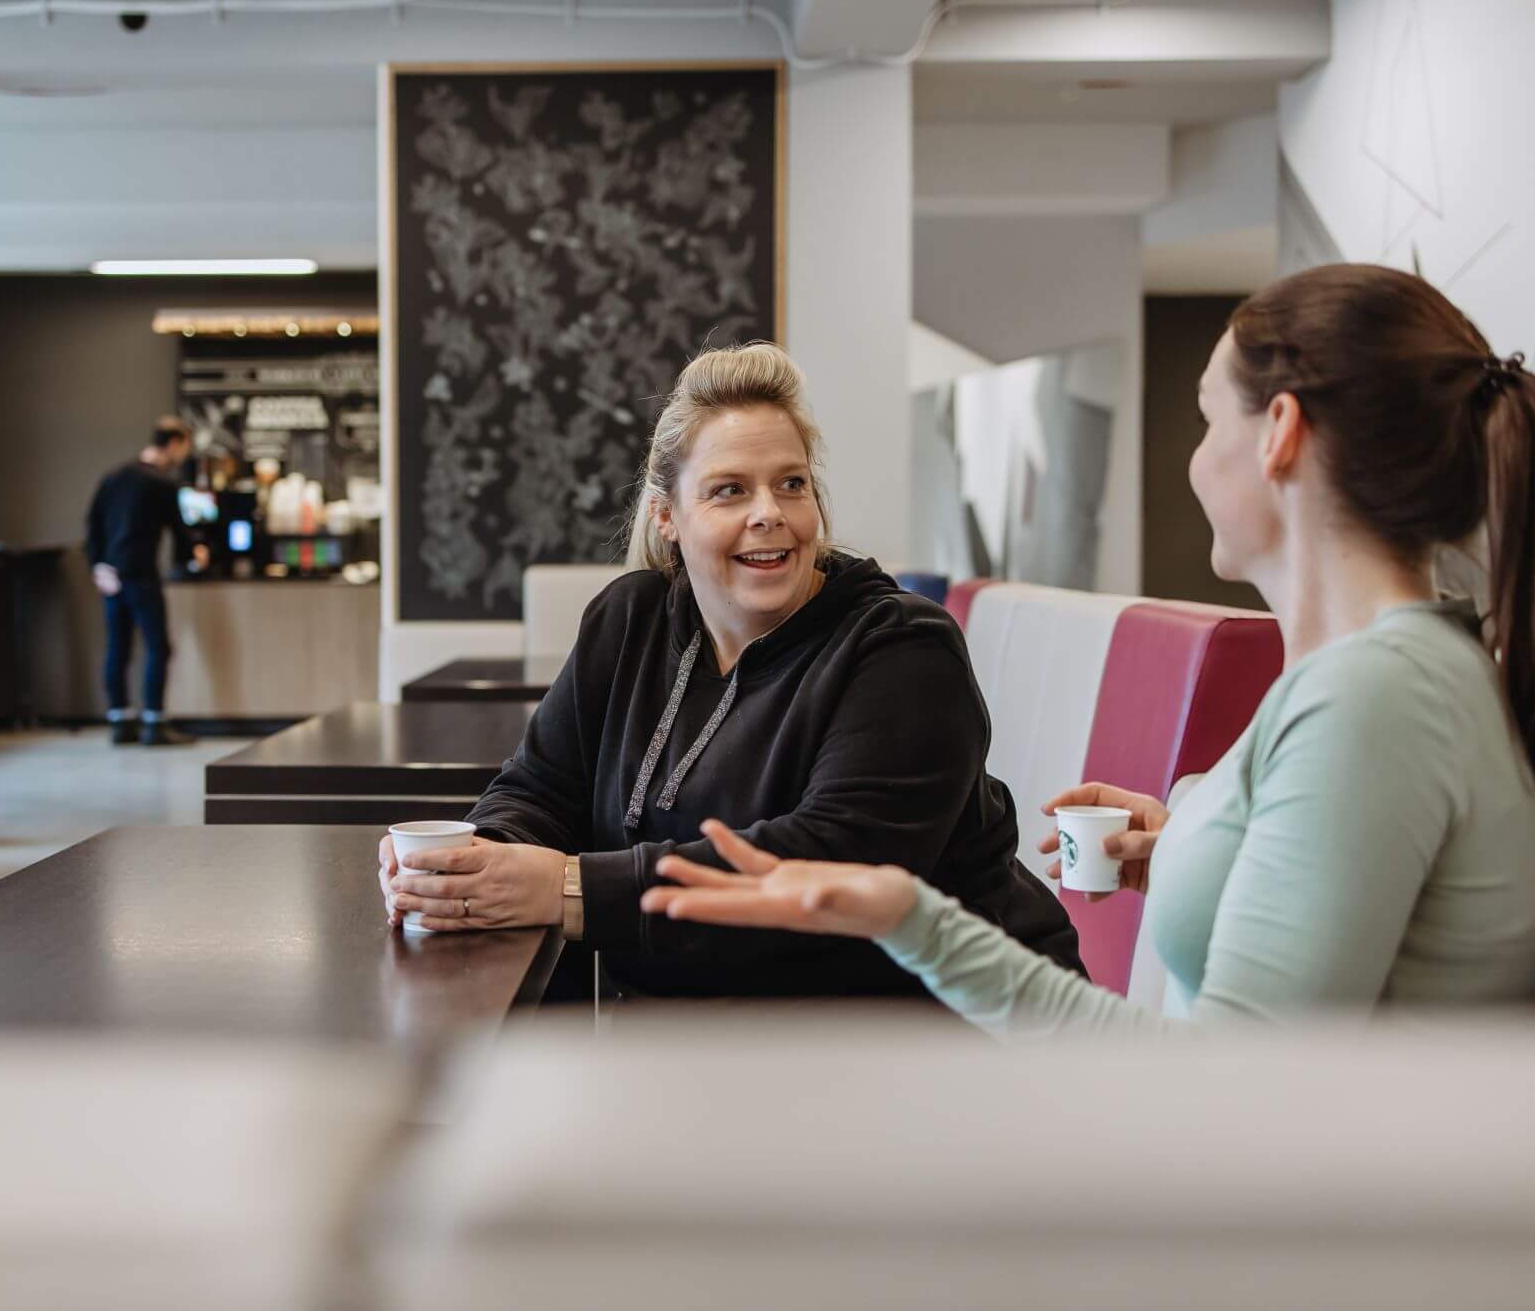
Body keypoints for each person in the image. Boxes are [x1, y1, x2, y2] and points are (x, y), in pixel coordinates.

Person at [644, 265, 1535, 1032]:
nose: (1193, 458)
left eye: (1204, 419)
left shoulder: (1374, 701)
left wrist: (909, 917)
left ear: (1277, 433)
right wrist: (1195, 838)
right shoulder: (1384, 679)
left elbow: (1220, 1102)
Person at [378, 342, 1081, 998]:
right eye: (729, 490)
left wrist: (566, 887)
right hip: (728, 1029)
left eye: (791, 483)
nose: (769, 513)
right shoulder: (630, 620)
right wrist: (471, 864)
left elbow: (833, 868)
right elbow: (540, 786)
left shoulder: (903, 650)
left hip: (942, 1030)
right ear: (667, 518)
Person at [85, 416, 206, 746]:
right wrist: (193, 558)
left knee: (118, 647)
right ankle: (154, 722)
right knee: (157, 646)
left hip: (111, 575)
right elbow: (180, 533)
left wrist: (98, 566)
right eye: (186, 447)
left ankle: (120, 721)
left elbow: (92, 525)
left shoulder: (114, 477)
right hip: (140, 574)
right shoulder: (161, 485)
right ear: (176, 443)